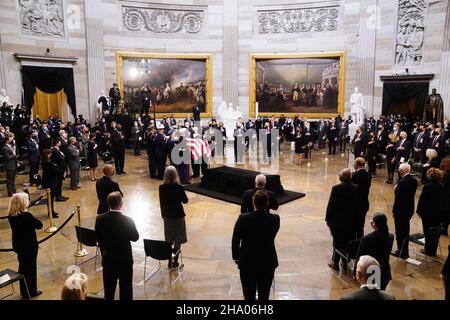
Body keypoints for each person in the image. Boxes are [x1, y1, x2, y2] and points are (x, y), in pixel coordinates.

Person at [232, 190, 280, 301]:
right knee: (264, 296)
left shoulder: (243, 218)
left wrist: (236, 256)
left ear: (253, 203)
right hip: (267, 261)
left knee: (249, 296)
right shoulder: (275, 219)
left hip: (247, 261)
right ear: (267, 203)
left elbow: (235, 239)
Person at [95, 192, 139, 300]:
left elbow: (98, 237)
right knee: (126, 290)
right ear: (121, 203)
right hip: (125, 260)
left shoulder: (100, 219)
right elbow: (135, 237)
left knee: (109, 291)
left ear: (108, 204)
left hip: (108, 259)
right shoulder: (127, 220)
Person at [8, 192, 43, 299]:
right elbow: (39, 225)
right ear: (23, 203)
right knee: (31, 269)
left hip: (19, 246)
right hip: (29, 246)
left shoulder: (11, 216)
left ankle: (24, 291)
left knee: (23, 267)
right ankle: (32, 291)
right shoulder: (27, 216)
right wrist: (30, 213)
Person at [326, 168, 359, 271]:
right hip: (351, 220)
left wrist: (327, 219)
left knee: (337, 242)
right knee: (347, 241)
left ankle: (335, 263)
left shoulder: (336, 188)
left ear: (341, 178)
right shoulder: (356, 187)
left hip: (338, 221)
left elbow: (331, 205)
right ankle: (345, 263)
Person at [159, 166, 188, 269]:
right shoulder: (179, 187)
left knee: (169, 239)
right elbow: (185, 201)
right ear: (176, 175)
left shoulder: (161, 187)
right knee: (178, 239)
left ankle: (169, 261)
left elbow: (161, 203)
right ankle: (175, 261)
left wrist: (163, 215)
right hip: (178, 216)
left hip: (167, 216)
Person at [354, 213, 392, 290]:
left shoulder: (366, 239)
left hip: (371, 275)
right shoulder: (389, 237)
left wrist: (355, 272)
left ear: (375, 224)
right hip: (384, 273)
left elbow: (360, 257)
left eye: (373, 221)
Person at [416, 168, 445, 257]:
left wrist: (419, 212)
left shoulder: (427, 186)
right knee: (436, 233)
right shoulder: (441, 186)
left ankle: (427, 250)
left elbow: (422, 201)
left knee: (427, 232)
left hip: (428, 213)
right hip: (438, 213)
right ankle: (433, 251)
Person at [392, 163, 418, 259]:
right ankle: (404, 250)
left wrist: (395, 189)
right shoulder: (413, 180)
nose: (399, 172)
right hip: (409, 209)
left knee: (400, 232)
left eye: (399, 170)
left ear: (402, 171)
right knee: (405, 230)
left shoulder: (402, 182)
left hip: (400, 211)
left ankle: (401, 252)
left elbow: (399, 198)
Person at [352, 158, 372, 238]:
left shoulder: (354, 175)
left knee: (353, 226)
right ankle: (360, 242)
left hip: (355, 204)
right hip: (364, 203)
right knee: (361, 225)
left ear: (356, 164)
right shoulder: (369, 175)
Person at [41, 149, 60, 218]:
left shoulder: (48, 161)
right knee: (50, 199)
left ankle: (52, 211)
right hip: (50, 182)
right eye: (49, 154)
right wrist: (56, 167)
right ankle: (51, 212)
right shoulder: (47, 162)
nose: (50, 155)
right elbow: (55, 169)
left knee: (51, 199)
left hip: (51, 181)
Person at [440, 156, 450, 235]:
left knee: (444, 213)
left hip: (445, 197)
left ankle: (443, 228)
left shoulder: (446, 175)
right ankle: (445, 228)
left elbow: (442, 186)